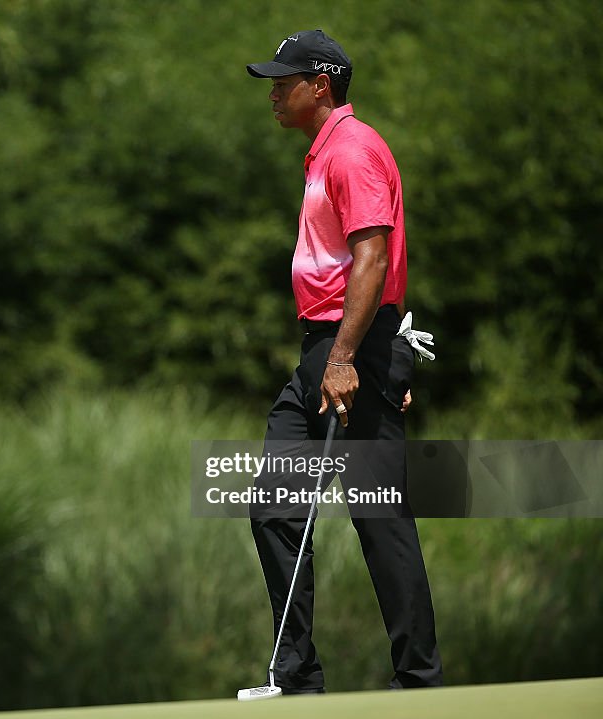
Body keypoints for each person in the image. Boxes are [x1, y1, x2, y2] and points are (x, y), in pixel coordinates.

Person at [240, 29, 443, 695]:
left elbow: (374, 259)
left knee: (380, 516)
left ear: (319, 85)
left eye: (283, 80)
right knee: (274, 500)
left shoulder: (352, 151)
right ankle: (296, 677)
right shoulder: (327, 151)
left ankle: (418, 680)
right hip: (331, 349)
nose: (273, 91)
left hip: (348, 347)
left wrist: (357, 358)